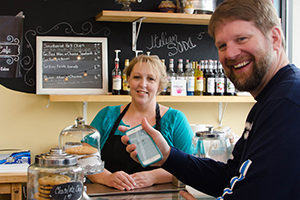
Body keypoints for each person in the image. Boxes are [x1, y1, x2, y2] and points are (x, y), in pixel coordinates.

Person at [121, 0, 300, 199]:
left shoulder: (287, 102)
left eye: (241, 39)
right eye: (222, 45)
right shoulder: (270, 102)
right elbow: (230, 176)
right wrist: (168, 156)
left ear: (275, 38)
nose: (230, 53)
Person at [83, 55, 195, 191]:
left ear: (160, 85)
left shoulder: (176, 119)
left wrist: (153, 177)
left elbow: (190, 166)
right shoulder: (106, 115)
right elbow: (85, 157)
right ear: (128, 79)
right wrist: (107, 178)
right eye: (137, 77)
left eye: (151, 79)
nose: (142, 84)